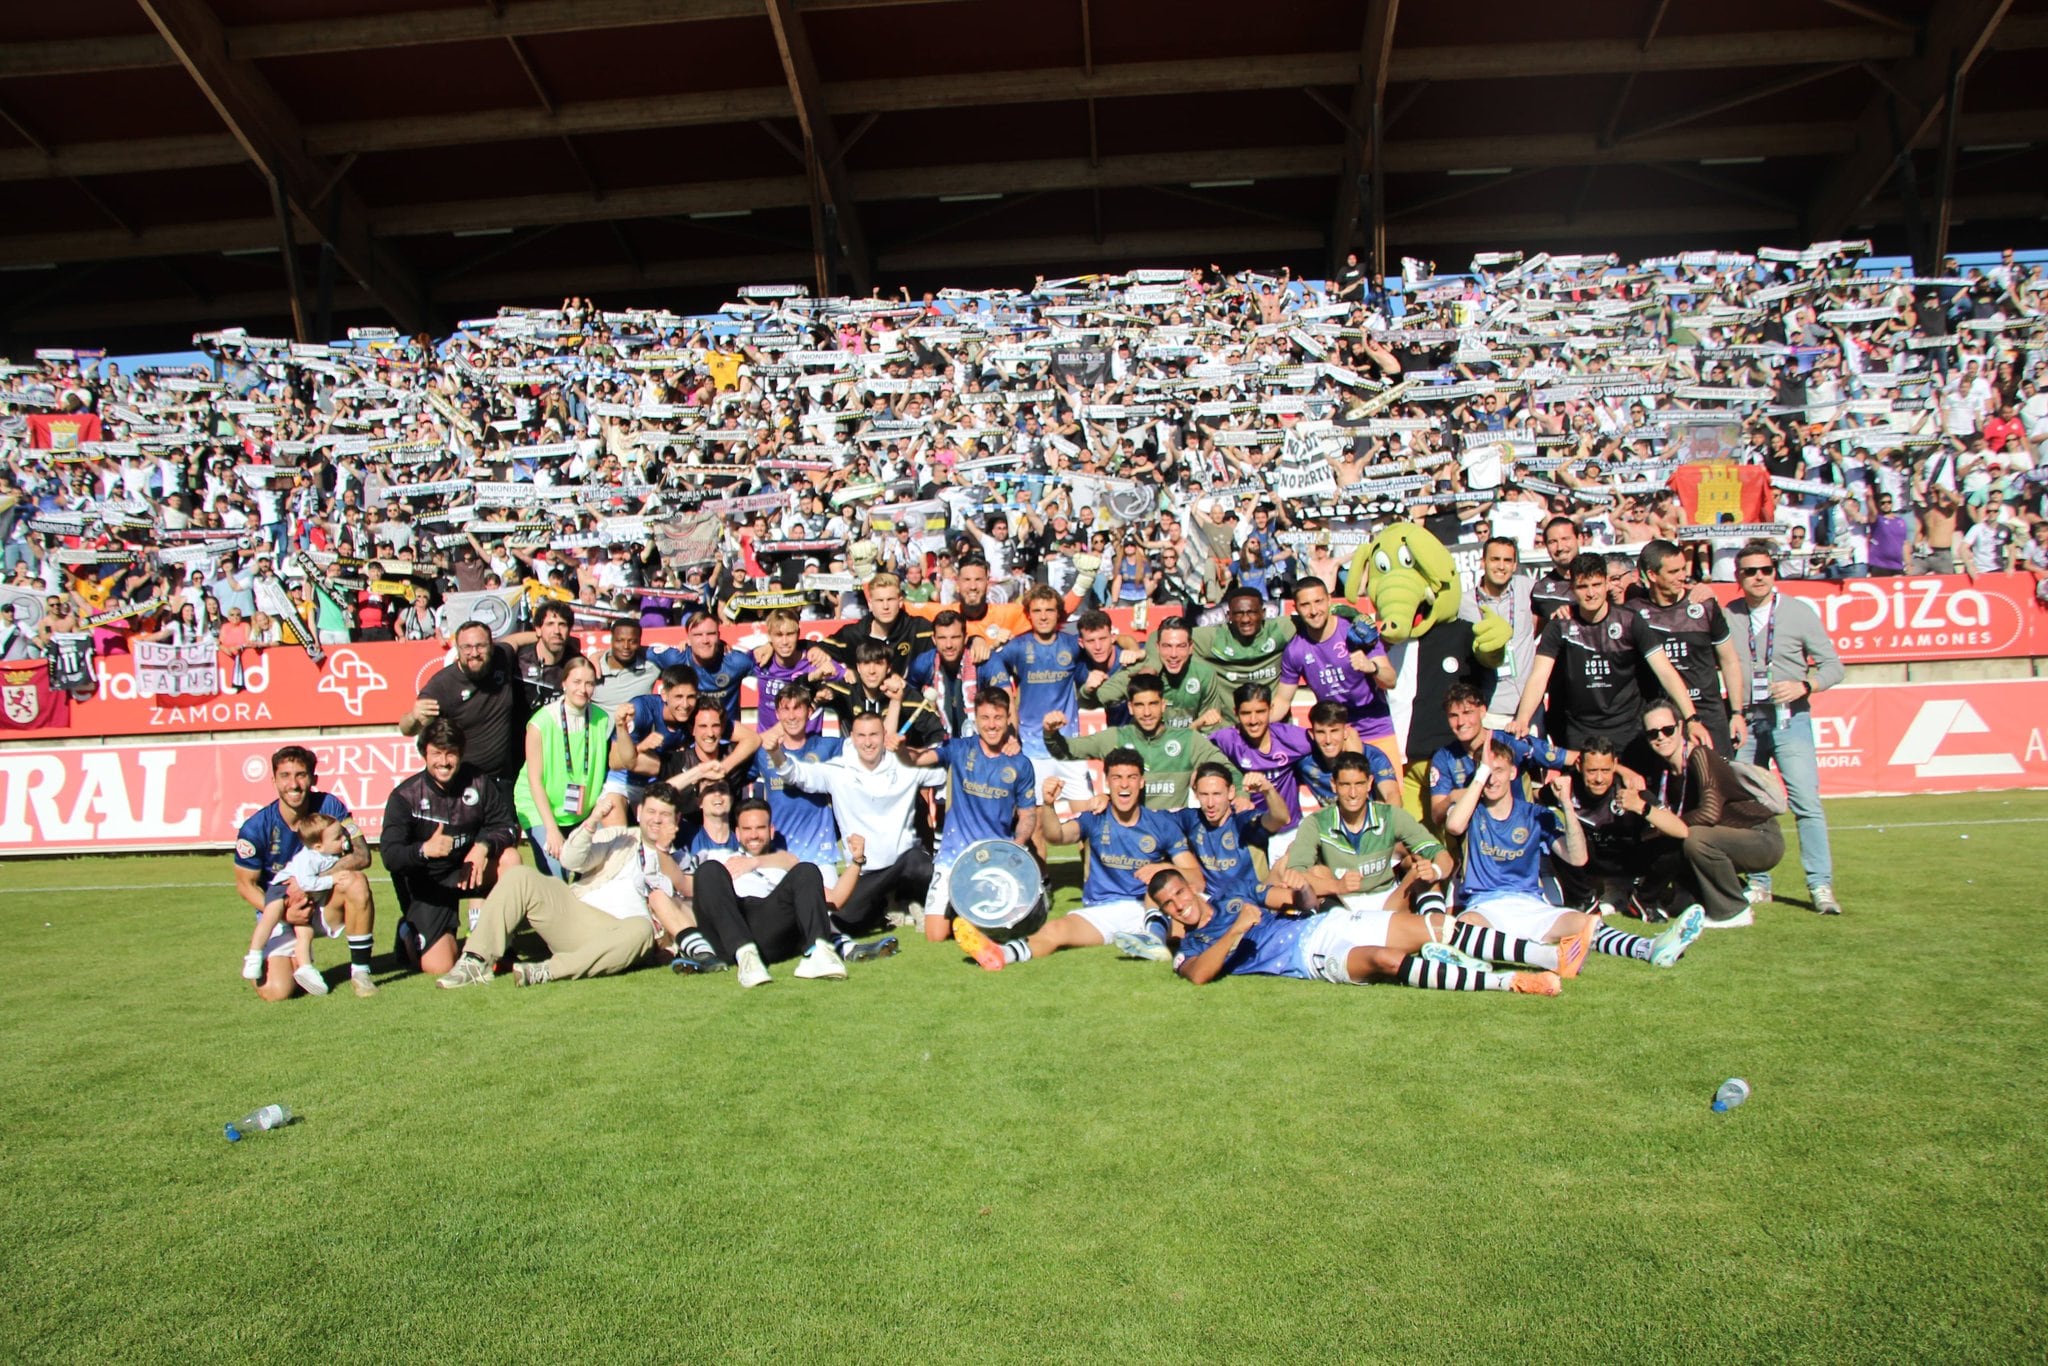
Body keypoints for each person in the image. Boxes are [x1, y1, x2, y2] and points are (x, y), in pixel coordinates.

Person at [1444, 735, 1703, 971]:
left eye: (1498, 770)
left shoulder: (1537, 814)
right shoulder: (1469, 811)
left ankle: (1649, 948)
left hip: (1530, 905)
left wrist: (1566, 804)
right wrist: (1481, 773)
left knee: (1585, 924)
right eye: (1486, 771)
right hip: (1485, 906)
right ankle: (1548, 957)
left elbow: (1578, 858)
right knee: (1466, 927)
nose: (1492, 779)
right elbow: (1454, 825)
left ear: (1513, 772)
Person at [952, 750, 1202, 970]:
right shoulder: (1095, 817)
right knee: (1055, 930)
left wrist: (1162, 867)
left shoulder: (1161, 824)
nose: (1124, 785)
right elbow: (1056, 836)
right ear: (1107, 782)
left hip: (1146, 908)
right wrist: (1049, 805)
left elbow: (1194, 876)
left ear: (1142, 782)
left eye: (1131, 777)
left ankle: (1155, 941)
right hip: (1102, 910)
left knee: (1186, 911)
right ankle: (999, 954)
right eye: (1117, 778)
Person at [1148, 869, 1560, 995]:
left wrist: (1301, 888)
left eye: (1179, 892)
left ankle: (1549, 956)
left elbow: (1298, 903)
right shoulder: (1191, 947)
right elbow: (1200, 975)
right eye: (1168, 903)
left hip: (1326, 922)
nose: (1178, 904)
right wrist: (1236, 932)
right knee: (1386, 960)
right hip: (1309, 959)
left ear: (1189, 885)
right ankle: (1509, 982)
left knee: (1437, 926)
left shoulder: (1236, 893)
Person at [435, 806, 693, 988]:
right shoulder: (619, 837)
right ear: (638, 813)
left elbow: (688, 908)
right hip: (577, 916)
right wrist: (591, 824)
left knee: (641, 929)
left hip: (622, 935)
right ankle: (475, 960)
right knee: (520, 876)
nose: (657, 820)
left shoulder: (681, 859)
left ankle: (547, 971)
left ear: (677, 820)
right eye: (651, 812)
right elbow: (572, 859)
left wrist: (663, 852)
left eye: (665, 815)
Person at [1725, 540, 1844, 915]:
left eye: (1766, 570)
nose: (1759, 577)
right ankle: (1759, 883)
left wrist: (1805, 685)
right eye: (1750, 571)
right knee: (1748, 806)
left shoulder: (1798, 612)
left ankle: (1820, 885)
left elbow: (1833, 667)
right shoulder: (1728, 615)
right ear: (1737, 576)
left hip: (1790, 718)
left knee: (1806, 804)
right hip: (1746, 720)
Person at [765, 710, 938, 948]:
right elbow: (796, 774)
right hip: (863, 874)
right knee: (843, 919)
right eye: (862, 735)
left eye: (874, 735)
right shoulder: (837, 770)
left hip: (907, 864)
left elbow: (947, 768)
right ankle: (891, 905)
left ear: (884, 734)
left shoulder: (906, 764)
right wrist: (775, 752)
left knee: (920, 864)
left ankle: (908, 898)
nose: (868, 742)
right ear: (853, 738)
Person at [1508, 552, 1706, 753]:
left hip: (1629, 730)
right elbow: (1539, 676)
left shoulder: (1630, 621)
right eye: (1583, 587)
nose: (1591, 593)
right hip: (1580, 731)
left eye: (1596, 585)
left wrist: (1692, 718)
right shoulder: (1560, 626)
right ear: (1572, 589)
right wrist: (1523, 719)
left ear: (1606, 584)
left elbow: (1665, 671)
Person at [231, 744, 379, 1001]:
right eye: (285, 776)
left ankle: (361, 972)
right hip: (281, 913)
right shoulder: (255, 828)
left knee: (356, 882)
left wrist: (312, 882)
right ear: (274, 780)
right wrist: (285, 911)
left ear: (312, 778)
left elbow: (362, 854)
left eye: (301, 775)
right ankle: (287, 960)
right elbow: (246, 885)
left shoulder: (330, 806)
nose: (294, 784)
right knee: (277, 992)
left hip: (321, 905)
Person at [379, 718, 525, 978]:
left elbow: (508, 827)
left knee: (510, 858)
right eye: (437, 753)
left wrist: (483, 846)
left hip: (467, 871)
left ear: (460, 753)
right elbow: (390, 856)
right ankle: (407, 934)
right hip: (428, 886)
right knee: (440, 966)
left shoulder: (479, 782)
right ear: (424, 754)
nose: (444, 762)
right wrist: (424, 850)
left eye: (451, 753)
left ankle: (501, 945)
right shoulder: (405, 797)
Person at [1622, 700, 1786, 929]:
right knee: (1674, 842)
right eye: (1652, 733)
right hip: (1728, 839)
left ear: (1680, 728)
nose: (1661, 737)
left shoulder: (1699, 755)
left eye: (1667, 730)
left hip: (1760, 836)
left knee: (1691, 837)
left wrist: (1663, 827)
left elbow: (1709, 813)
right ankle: (1724, 893)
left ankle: (1732, 910)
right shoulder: (1665, 772)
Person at [897, 686, 1038, 944]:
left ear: (1008, 718)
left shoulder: (1021, 763)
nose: (992, 725)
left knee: (999, 934)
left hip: (994, 858)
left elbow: (1028, 815)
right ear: (975, 719)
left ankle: (967, 911)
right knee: (935, 936)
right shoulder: (959, 749)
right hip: (953, 855)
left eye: (998, 718)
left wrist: (1016, 847)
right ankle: (958, 908)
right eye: (985, 718)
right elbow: (916, 759)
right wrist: (899, 750)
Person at [688, 799, 852, 988]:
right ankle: (746, 956)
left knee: (807, 870)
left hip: (769, 922)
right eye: (747, 829)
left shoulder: (782, 861)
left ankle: (820, 952)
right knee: (708, 870)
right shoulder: (719, 856)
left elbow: (820, 888)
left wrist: (755, 863)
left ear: (771, 831)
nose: (754, 835)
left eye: (760, 828)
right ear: (738, 833)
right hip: (730, 922)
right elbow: (688, 885)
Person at [1281, 753, 1454, 916]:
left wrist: (1436, 871)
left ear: (1370, 782)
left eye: (1359, 784)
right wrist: (1338, 886)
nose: (1353, 793)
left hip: (1388, 901)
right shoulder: (1317, 822)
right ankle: (1342, 935)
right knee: (1317, 871)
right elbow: (1296, 873)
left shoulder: (1391, 815)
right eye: (1345, 785)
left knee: (1422, 867)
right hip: (1342, 901)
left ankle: (1436, 932)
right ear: (1333, 784)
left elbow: (1441, 854)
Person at [1043, 672, 1231, 810]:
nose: (1147, 713)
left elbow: (1227, 769)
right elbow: (1066, 751)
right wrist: (1051, 733)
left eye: (1153, 704)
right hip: (1130, 838)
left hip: (1173, 835)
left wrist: (1240, 796)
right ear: (1130, 707)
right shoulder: (1114, 737)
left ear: (1163, 705)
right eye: (1140, 705)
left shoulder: (1188, 740)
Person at [1272, 576, 1399, 773]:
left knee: (1392, 798)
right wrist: (1252, 726)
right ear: (1295, 608)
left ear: (1330, 600)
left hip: (1376, 726)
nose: (1314, 611)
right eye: (1305, 605)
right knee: (1350, 798)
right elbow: (1282, 701)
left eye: (1318, 602)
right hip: (1335, 734)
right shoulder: (1296, 650)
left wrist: (1371, 667)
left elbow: (1391, 680)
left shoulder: (1356, 632)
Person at [1634, 538, 1748, 755]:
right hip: (1661, 718)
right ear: (1652, 575)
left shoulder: (1703, 605)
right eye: (1673, 571)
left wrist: (1736, 713)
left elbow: (1729, 660)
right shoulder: (1633, 612)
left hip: (1707, 711)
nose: (1682, 576)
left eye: (1683, 569)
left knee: (1717, 784)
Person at [400, 620, 526, 798]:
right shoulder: (442, 686)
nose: (474, 653)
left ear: (491, 645)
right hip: (462, 784)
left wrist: (542, 635)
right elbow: (406, 729)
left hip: (502, 781)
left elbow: (516, 640)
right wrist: (413, 716)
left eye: (480, 646)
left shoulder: (501, 656)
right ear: (457, 649)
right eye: (466, 647)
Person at [514, 656, 614, 877]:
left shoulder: (601, 719)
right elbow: (534, 781)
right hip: (540, 807)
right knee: (556, 873)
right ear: (564, 683)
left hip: (580, 811)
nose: (583, 689)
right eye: (577, 682)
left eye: (589, 683)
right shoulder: (541, 722)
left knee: (592, 869)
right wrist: (551, 830)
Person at [1425, 682, 1573, 831]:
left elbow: (1574, 759)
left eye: (1467, 713)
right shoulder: (1444, 757)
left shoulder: (1512, 742)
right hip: (1477, 842)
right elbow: (1436, 817)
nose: (1461, 722)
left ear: (1482, 711)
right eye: (1453, 716)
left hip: (1521, 832)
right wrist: (1451, 798)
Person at [240, 812, 348, 997]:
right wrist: (332, 880)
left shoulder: (329, 854)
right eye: (338, 837)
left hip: (305, 901)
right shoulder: (308, 858)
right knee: (270, 918)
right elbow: (306, 883)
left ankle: (306, 968)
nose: (344, 839)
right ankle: (254, 955)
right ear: (318, 845)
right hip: (281, 891)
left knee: (305, 932)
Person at [1207, 682, 1314, 861]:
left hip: (1289, 830)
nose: (1254, 720)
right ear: (1235, 713)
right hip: (1248, 831)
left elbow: (1329, 739)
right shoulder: (1227, 739)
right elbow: (1185, 745)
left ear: (1271, 710)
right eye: (1246, 713)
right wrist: (1199, 723)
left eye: (1260, 712)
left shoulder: (1291, 737)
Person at [1095, 616, 1232, 732]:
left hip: (1188, 749)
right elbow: (1103, 695)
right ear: (1157, 647)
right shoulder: (1144, 669)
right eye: (1167, 646)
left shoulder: (1204, 673)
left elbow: (1209, 727)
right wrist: (1137, 684)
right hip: (1148, 749)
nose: (1173, 655)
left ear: (1191, 648)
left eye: (1180, 646)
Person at [1471, 536, 1538, 724]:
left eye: (1507, 560)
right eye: (1495, 559)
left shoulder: (1529, 588)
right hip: (1491, 709)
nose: (1501, 566)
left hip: (1530, 706)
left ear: (1515, 565)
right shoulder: (1464, 603)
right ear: (1483, 561)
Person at [501, 598, 585, 713]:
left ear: (569, 630)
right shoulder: (517, 661)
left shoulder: (578, 665)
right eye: (550, 624)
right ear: (538, 629)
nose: (556, 631)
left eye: (562, 625)